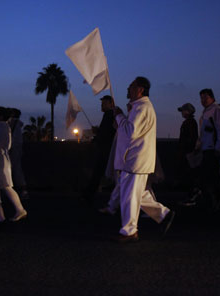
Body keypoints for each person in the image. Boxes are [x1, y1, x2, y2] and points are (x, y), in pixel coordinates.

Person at [113, 76, 174, 242]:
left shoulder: (141, 107)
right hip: (136, 159)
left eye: (131, 85)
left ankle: (129, 231)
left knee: (130, 196)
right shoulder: (140, 107)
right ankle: (164, 214)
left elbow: (131, 131)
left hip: (135, 160)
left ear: (140, 89)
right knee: (138, 195)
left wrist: (119, 116)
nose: (128, 88)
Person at [0, 107, 27, 222]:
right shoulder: (6, 127)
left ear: (0, 116)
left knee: (5, 187)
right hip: (3, 160)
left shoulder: (0, 126)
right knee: (3, 186)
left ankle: (19, 210)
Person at [195, 88, 220, 213]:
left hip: (212, 150)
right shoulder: (205, 112)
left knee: (212, 178)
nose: (203, 100)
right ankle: (214, 203)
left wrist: (219, 148)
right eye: (201, 98)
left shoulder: (217, 110)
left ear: (212, 97)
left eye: (205, 97)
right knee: (208, 178)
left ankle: (219, 204)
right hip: (206, 149)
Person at [83, 95, 116, 205]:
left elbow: (106, 133)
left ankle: (89, 195)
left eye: (104, 103)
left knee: (98, 173)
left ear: (111, 103)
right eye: (102, 103)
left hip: (107, 150)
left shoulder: (110, 115)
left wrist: (96, 137)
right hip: (108, 150)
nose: (102, 105)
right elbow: (106, 131)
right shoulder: (111, 115)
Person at [176, 103, 200, 206]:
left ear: (188, 111)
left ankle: (192, 196)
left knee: (190, 175)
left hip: (188, 153)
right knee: (190, 175)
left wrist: (186, 151)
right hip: (188, 153)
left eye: (183, 111)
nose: (182, 113)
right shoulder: (190, 122)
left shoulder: (190, 123)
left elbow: (190, 139)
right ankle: (191, 195)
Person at [8, 108, 28, 199]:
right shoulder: (18, 125)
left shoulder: (12, 123)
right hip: (17, 149)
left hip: (12, 149)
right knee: (17, 169)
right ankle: (23, 190)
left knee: (13, 170)